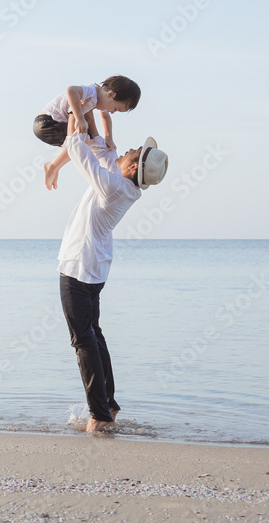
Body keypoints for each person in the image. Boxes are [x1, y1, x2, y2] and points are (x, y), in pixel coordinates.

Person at [57, 130, 168, 432]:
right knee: (93, 334)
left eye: (134, 152)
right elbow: (104, 153)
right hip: (94, 267)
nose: (130, 148)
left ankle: (100, 413)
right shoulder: (123, 186)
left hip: (79, 266)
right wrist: (100, 120)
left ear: (133, 168)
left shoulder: (111, 186)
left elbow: (80, 151)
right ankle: (109, 404)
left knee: (83, 340)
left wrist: (76, 121)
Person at [33, 76, 141, 191]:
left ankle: (54, 166)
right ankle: (52, 166)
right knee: (85, 140)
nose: (113, 112)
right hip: (46, 123)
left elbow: (105, 116)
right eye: (116, 108)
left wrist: (109, 137)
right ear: (110, 95)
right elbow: (71, 90)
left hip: (55, 124)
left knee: (86, 140)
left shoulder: (100, 99)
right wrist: (79, 118)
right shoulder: (91, 92)